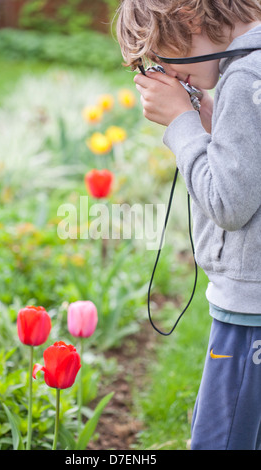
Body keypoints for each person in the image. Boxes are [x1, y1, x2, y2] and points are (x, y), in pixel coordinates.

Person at [116, 0, 261, 450]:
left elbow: (228, 201)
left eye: (162, 57)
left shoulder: (245, 77)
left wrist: (181, 125)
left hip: (250, 309)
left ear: (189, 19)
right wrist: (205, 122)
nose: (168, 74)